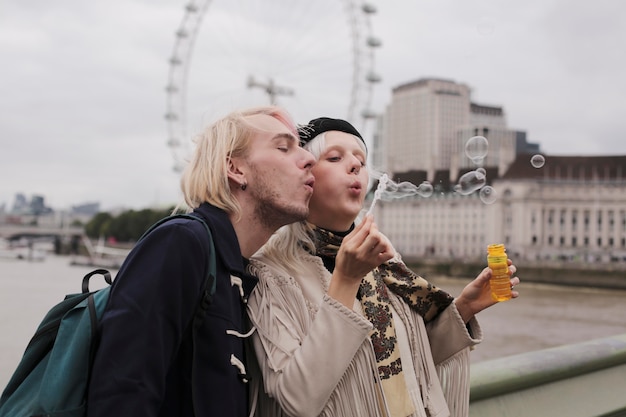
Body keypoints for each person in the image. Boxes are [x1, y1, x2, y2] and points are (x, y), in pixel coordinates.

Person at [246, 117, 520, 417]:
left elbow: (404, 363)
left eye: (361, 161)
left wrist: (464, 308)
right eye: (335, 157)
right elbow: (296, 399)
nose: (354, 166)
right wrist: (346, 280)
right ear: (304, 175)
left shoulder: (384, 261)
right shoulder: (270, 273)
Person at [87, 106, 316, 417]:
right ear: (235, 169)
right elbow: (123, 390)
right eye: (283, 147)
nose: (308, 159)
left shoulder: (239, 271)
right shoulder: (182, 243)